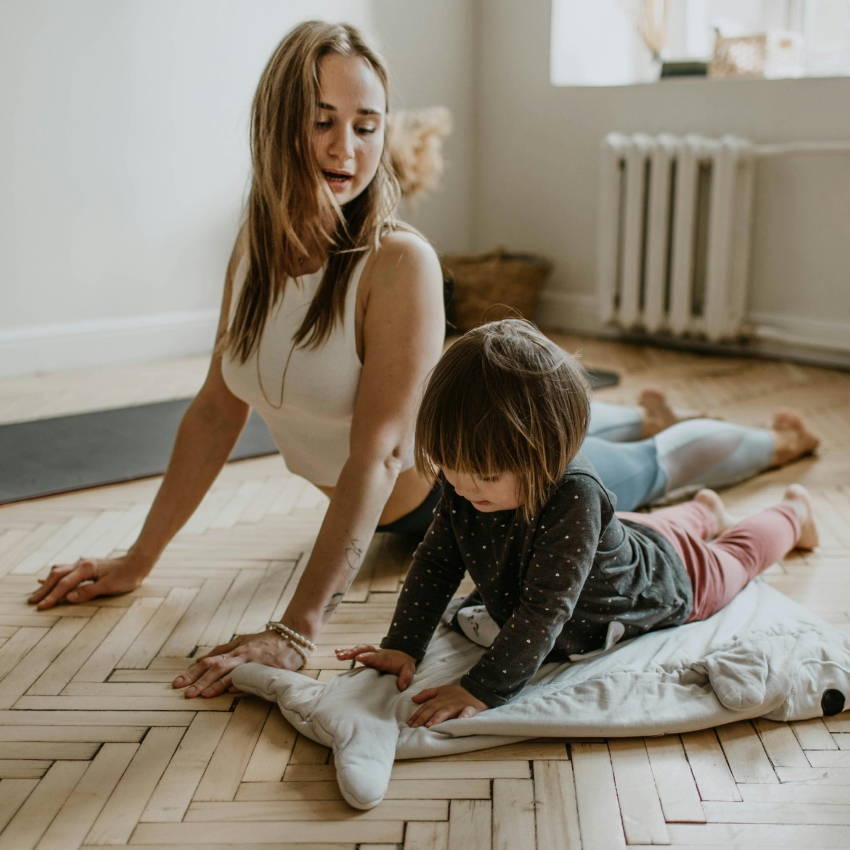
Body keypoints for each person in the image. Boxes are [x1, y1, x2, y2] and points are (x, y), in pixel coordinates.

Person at [27, 21, 818, 700]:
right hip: (454, 475)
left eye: (367, 125)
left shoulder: (395, 261)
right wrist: (139, 557)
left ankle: (774, 448)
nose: (348, 148)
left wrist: (296, 630)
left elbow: (379, 453)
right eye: (322, 120)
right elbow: (213, 410)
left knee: (646, 465)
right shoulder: (254, 249)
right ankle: (646, 434)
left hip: (483, 491)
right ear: (275, 123)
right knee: (620, 448)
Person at [335, 320, 818, 726]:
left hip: (668, 578)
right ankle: (706, 509)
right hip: (625, 537)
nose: (460, 487)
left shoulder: (576, 496)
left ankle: (793, 513)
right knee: (649, 529)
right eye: (449, 468)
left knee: (736, 555)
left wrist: (480, 688)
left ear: (546, 455)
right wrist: (403, 644)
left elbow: (545, 609)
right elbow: (438, 562)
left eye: (483, 475)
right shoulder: (467, 483)